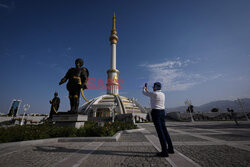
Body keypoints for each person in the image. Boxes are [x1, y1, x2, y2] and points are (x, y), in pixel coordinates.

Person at [143, 82, 174, 157]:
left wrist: (144, 88)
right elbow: (150, 93)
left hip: (156, 113)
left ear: (156, 87)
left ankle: (164, 151)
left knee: (160, 132)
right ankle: (170, 148)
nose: (153, 87)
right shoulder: (162, 94)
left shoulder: (154, 94)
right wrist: (147, 91)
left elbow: (144, 93)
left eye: (154, 86)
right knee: (164, 130)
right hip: (162, 112)